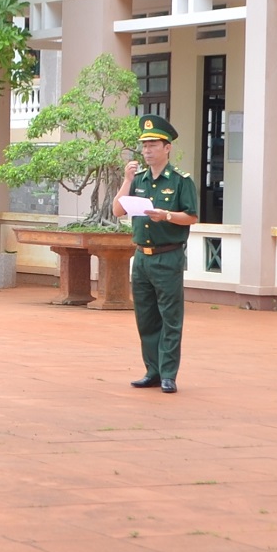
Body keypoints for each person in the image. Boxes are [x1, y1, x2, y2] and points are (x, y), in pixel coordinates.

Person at [114, 114, 200, 393]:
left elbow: (191, 217)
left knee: (170, 318)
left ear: (167, 148)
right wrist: (126, 181)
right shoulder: (137, 179)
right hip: (141, 257)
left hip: (168, 255)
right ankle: (152, 370)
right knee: (146, 317)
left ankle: (168, 374)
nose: (147, 150)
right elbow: (117, 210)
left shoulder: (180, 181)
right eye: (144, 145)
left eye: (153, 145)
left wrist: (166, 215)